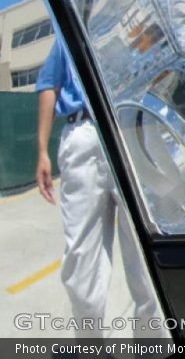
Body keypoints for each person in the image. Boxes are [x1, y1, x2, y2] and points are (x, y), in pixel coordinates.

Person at [35, 38, 156, 335]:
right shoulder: (67, 30)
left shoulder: (137, 23)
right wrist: (41, 151)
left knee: (146, 254)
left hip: (133, 125)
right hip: (83, 133)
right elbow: (49, 84)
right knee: (80, 257)